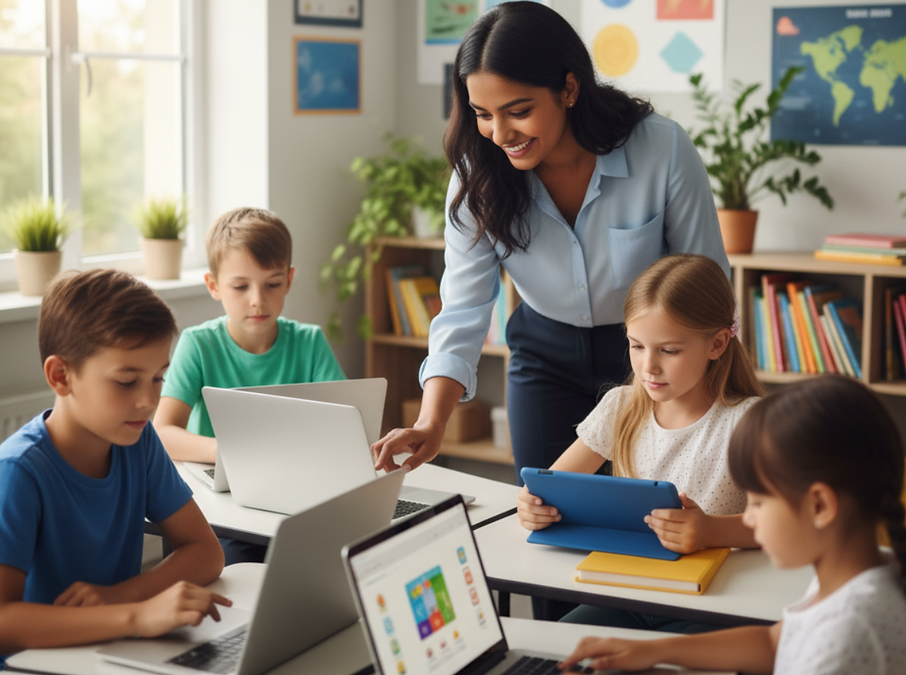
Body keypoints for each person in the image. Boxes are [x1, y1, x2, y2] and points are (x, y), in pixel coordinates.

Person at [371, 2, 728, 483]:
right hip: (545, 358)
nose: (500, 134)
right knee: (548, 510)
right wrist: (431, 421)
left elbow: (706, 280)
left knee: (655, 517)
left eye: (518, 112)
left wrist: (716, 394)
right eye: (483, 114)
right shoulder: (476, 179)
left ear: (569, 89)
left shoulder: (660, 149)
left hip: (649, 357)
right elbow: (463, 307)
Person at [558, 375, 906, 675]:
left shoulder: (846, 634)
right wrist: (655, 652)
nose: (747, 517)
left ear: (820, 506)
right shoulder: (863, 572)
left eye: (759, 503)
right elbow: (772, 641)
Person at [519, 254, 763, 627]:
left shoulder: (749, 421)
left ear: (717, 344)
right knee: (561, 647)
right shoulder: (621, 406)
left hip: (714, 598)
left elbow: (788, 522)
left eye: (668, 350)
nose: (648, 366)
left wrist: (712, 531)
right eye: (636, 346)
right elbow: (551, 485)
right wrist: (532, 504)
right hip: (626, 591)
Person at [0, 270, 228, 666]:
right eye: (126, 382)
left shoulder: (138, 442)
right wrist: (137, 614)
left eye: (158, 378)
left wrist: (125, 596)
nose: (147, 401)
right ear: (61, 376)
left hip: (116, 652)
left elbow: (206, 551)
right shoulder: (19, 473)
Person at [155, 206, 345, 565]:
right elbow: (162, 433)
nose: (257, 299)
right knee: (237, 570)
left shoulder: (309, 342)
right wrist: (235, 453)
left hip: (295, 500)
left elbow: (347, 425)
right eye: (240, 286)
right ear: (214, 286)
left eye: (272, 284)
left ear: (289, 280)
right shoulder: (198, 345)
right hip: (224, 509)